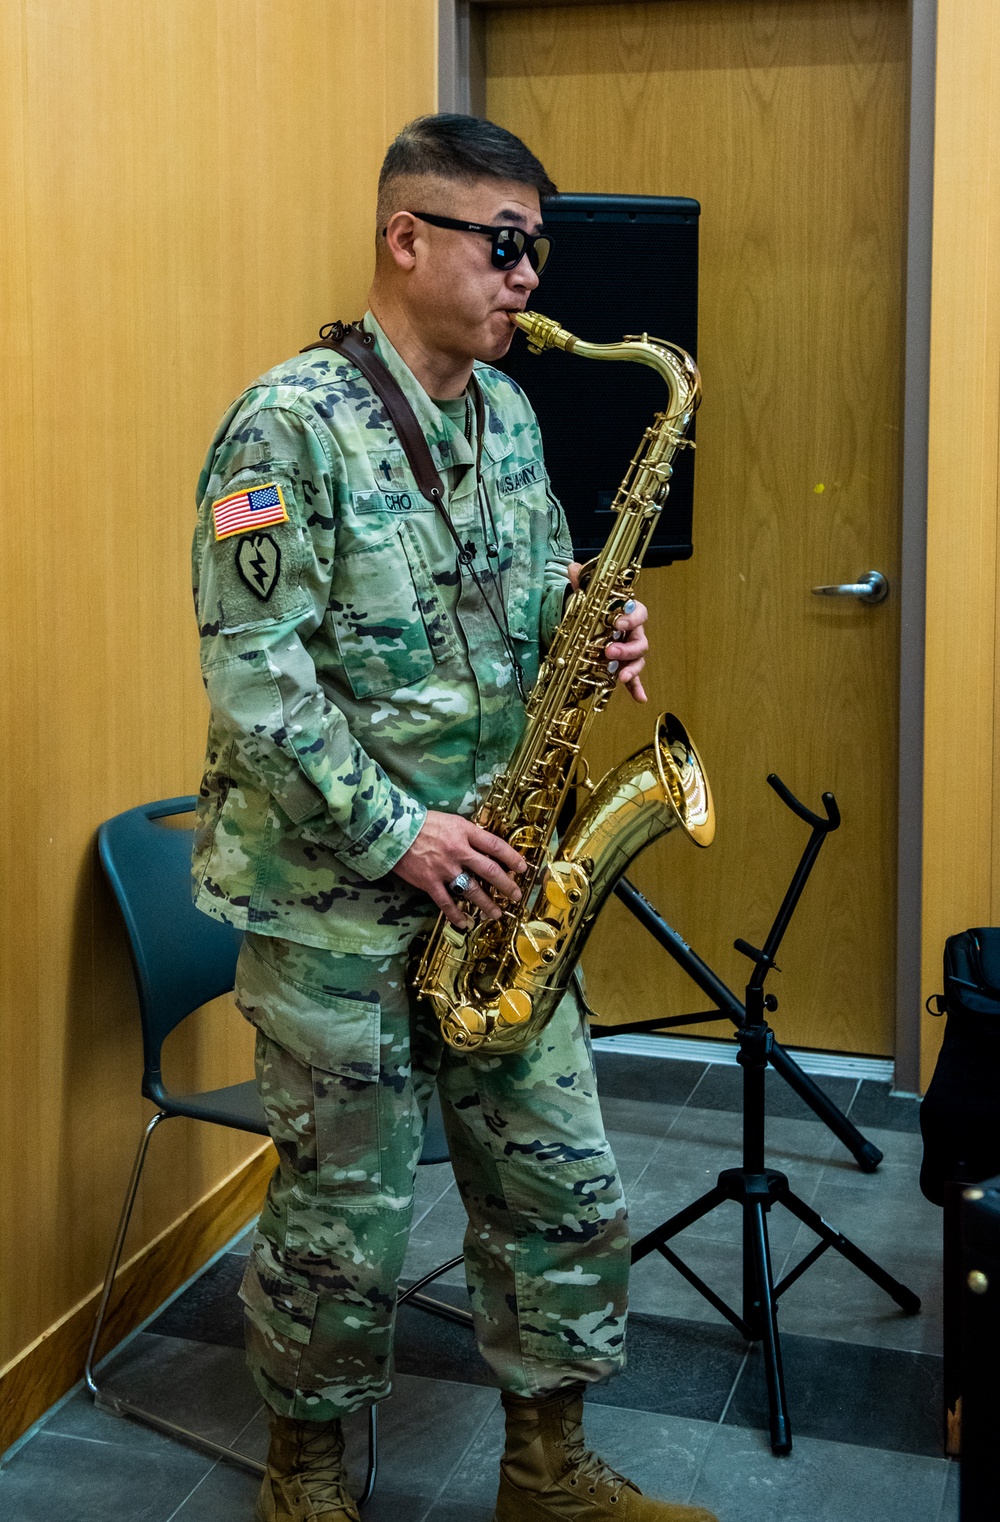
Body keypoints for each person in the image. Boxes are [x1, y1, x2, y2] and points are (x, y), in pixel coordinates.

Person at [192, 113, 718, 1522]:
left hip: (500, 888)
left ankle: (547, 1466)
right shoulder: (286, 425)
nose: (527, 276)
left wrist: (594, 636)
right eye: (503, 244)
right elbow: (260, 683)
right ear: (405, 238)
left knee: (564, 1187)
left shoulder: (510, 414)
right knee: (340, 1231)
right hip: (339, 906)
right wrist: (400, 834)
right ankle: (306, 1482)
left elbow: (540, 585)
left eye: (534, 249)